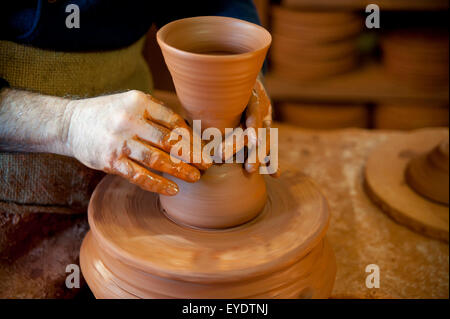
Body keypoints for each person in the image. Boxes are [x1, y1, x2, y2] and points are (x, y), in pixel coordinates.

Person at [0, 0, 273, 216]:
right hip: (14, 157)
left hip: (138, 146)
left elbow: (212, 6)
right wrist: (68, 123)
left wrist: (240, 78)